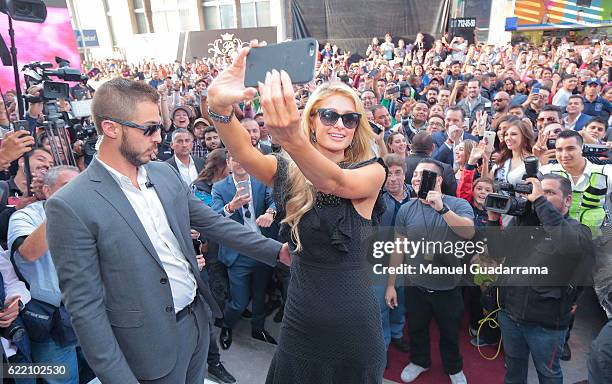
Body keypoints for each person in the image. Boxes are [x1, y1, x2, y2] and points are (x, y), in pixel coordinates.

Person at [45, 78, 289, 384]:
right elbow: (84, 309)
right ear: (111, 128)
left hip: (197, 322)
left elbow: (215, 224)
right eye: (148, 129)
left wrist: (276, 251)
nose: (160, 137)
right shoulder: (70, 204)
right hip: (147, 346)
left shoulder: (163, 173)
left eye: (159, 127)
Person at [207, 41, 387, 383]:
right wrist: (217, 106)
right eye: (330, 115)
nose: (340, 125)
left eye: (350, 118)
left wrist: (291, 139)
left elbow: (334, 182)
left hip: (353, 323)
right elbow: (244, 153)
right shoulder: (287, 168)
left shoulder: (372, 170)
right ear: (313, 120)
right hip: (301, 317)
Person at [486, 174, 593, 384]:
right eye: (537, 192)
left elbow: (569, 247)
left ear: (568, 200)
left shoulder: (578, 230)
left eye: (549, 193)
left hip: (546, 324)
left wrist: (540, 202)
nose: (539, 197)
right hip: (511, 316)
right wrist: (492, 219)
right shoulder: (525, 222)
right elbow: (497, 251)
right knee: (514, 369)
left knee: (548, 374)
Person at [387, 159, 474, 384]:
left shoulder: (458, 204)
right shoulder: (406, 209)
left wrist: (442, 209)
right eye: (414, 173)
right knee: (416, 327)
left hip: (448, 286)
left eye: (423, 174)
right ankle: (419, 361)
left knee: (449, 332)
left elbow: (468, 232)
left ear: (438, 180)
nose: (416, 178)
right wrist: (390, 285)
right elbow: (399, 247)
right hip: (416, 285)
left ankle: (454, 367)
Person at [8, 166, 81, 384]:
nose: (76, 194)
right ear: (48, 191)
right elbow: (29, 252)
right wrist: (61, 210)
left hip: (90, 313)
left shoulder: (91, 214)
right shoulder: (25, 216)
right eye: (68, 188)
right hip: (50, 319)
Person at [213, 154, 278, 349]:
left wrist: (270, 212)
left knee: (260, 296)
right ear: (228, 163)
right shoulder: (220, 187)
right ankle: (227, 325)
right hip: (237, 253)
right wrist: (231, 206)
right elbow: (213, 217)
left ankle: (257, 329)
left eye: (243, 158)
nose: (240, 162)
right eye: (235, 158)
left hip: (263, 249)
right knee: (239, 302)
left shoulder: (261, 182)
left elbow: (275, 201)